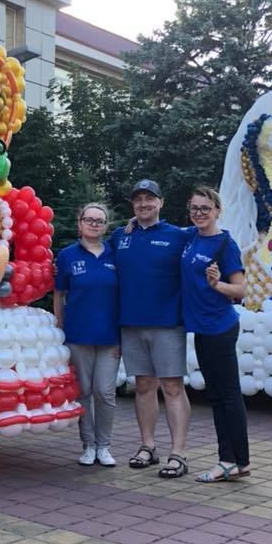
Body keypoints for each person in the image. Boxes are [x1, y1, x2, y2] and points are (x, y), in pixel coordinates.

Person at [110, 180, 192, 479]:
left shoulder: (179, 235)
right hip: (131, 323)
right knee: (143, 386)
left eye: (149, 198)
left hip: (168, 324)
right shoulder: (120, 236)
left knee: (172, 387)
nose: (143, 204)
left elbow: (211, 237)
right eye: (138, 200)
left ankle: (178, 453)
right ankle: (148, 446)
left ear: (161, 202)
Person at [181, 186, 249, 482]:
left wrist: (217, 285)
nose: (199, 213)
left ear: (217, 211)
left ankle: (231, 460)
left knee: (226, 396)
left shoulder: (225, 245)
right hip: (203, 328)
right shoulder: (192, 237)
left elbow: (240, 290)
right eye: (194, 208)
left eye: (205, 208)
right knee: (219, 395)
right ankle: (236, 461)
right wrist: (134, 222)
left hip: (219, 328)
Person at [54, 203, 119, 467]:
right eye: (89, 219)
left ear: (105, 226)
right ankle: (88, 445)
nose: (94, 224)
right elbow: (59, 294)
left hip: (110, 336)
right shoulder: (67, 256)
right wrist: (59, 329)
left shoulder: (115, 254)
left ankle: (104, 446)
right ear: (79, 223)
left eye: (99, 220)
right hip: (77, 334)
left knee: (105, 392)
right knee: (83, 391)